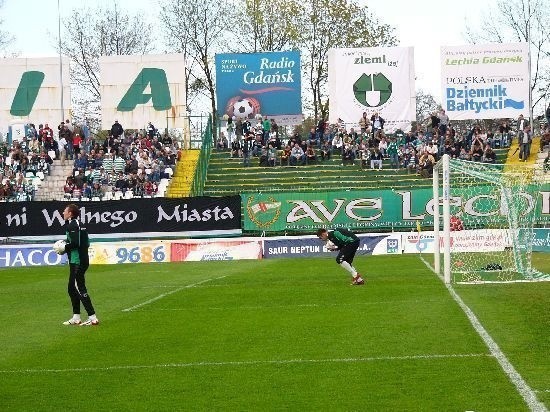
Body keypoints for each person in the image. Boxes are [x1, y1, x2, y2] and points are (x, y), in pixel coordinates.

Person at [61, 203, 99, 326]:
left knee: (78, 288)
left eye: (65, 211)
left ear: (70, 213)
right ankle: (76, 317)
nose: (63, 213)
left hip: (78, 262)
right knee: (71, 289)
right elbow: (85, 243)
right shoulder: (79, 224)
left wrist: (63, 247)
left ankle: (92, 317)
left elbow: (76, 243)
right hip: (78, 260)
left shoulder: (73, 225)